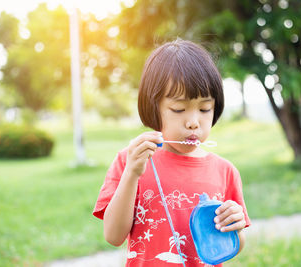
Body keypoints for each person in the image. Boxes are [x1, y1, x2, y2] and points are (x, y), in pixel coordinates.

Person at [93, 39, 251, 266]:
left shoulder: (225, 171)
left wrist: (234, 227)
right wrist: (132, 174)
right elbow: (113, 236)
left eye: (205, 109)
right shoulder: (129, 161)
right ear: (153, 106)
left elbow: (233, 244)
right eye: (179, 109)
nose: (194, 122)